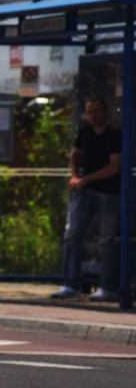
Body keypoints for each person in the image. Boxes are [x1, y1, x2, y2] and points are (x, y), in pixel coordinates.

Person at [52, 97, 123, 301]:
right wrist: (75, 176)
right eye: (90, 111)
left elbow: (114, 166)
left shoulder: (114, 134)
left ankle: (108, 288)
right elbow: (74, 154)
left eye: (97, 111)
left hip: (108, 193)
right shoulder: (85, 132)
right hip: (84, 192)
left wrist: (86, 179)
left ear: (105, 111)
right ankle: (70, 284)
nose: (94, 115)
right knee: (73, 234)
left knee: (107, 240)